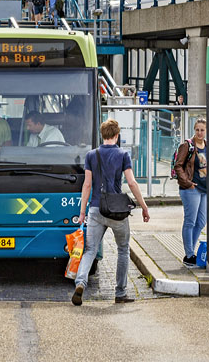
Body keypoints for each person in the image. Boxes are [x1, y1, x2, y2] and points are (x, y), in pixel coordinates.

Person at [72, 119, 149, 306]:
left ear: (102, 135)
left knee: (90, 250)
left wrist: (82, 212)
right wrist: (144, 207)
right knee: (123, 250)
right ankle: (120, 293)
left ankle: (81, 283)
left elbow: (87, 184)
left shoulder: (91, 155)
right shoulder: (123, 154)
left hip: (96, 209)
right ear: (117, 135)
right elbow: (131, 182)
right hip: (117, 211)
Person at [174, 118, 208, 267]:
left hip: (205, 189)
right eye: (197, 130)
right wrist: (187, 183)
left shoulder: (208, 146)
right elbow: (178, 165)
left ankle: (191, 253)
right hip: (191, 189)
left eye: (202, 130)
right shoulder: (187, 146)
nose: (199, 133)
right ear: (194, 130)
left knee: (201, 221)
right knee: (190, 221)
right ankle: (189, 255)